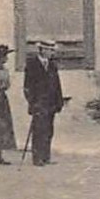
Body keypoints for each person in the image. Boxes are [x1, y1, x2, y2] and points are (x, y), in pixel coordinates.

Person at [23, 39, 66, 167]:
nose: (52, 53)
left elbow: (57, 85)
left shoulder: (52, 65)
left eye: (53, 50)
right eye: (50, 50)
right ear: (42, 50)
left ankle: (46, 156)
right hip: (39, 103)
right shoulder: (32, 65)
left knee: (48, 130)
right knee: (38, 130)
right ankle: (37, 158)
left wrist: (59, 101)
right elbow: (27, 87)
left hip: (50, 104)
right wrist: (32, 102)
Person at [0, 44, 17, 164]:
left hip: (2, 99)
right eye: (4, 56)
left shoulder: (5, 70)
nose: (6, 59)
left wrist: (1, 85)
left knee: (3, 126)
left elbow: (7, 84)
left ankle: (0, 155)